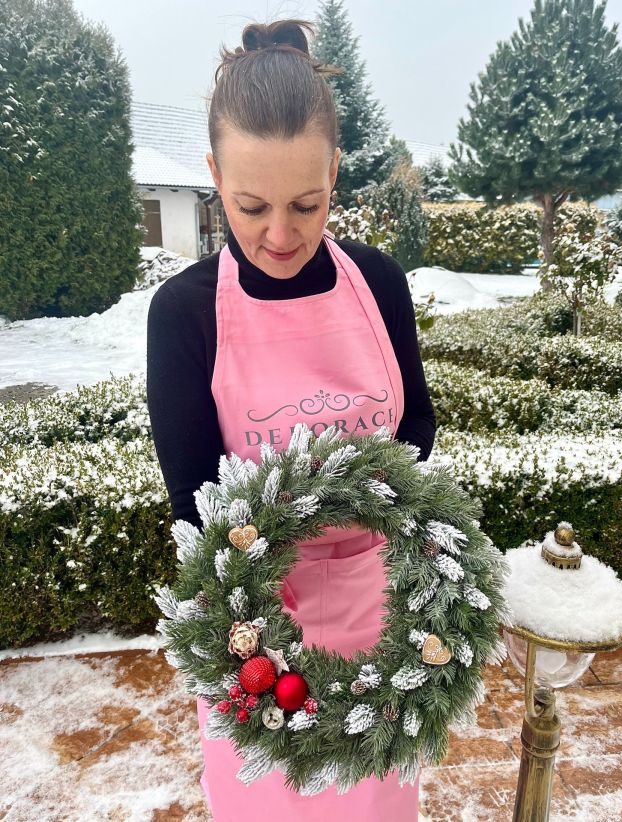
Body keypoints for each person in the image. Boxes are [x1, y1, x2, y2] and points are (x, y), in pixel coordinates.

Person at [146, 17, 436, 821]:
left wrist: (366, 502)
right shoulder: (186, 315)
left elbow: (417, 429)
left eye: (307, 204)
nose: (281, 234)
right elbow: (196, 508)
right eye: (251, 206)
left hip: (379, 621)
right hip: (258, 640)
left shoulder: (377, 283)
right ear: (212, 175)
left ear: (336, 170)